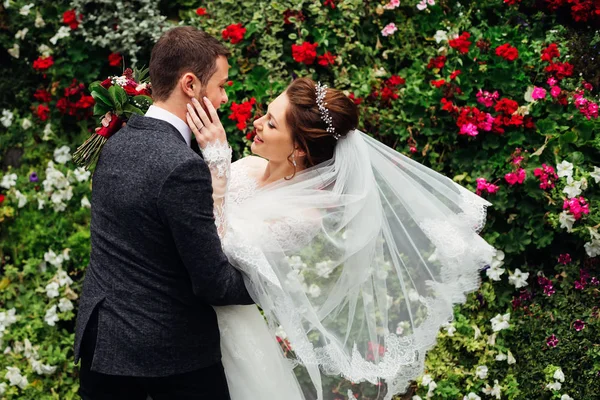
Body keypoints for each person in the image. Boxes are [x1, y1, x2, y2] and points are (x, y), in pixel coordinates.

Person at [187, 77, 495, 400]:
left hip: (224, 334)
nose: (257, 123)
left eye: (271, 124)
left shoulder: (304, 217)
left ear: (298, 149)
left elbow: (220, 255)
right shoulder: (247, 166)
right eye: (266, 114)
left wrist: (218, 182)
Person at [73, 26, 254, 400]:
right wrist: (277, 285)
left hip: (101, 345)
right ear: (190, 84)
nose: (223, 97)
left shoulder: (118, 140)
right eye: (220, 85)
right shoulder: (181, 167)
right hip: (165, 360)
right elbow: (213, 284)